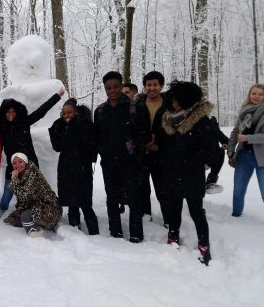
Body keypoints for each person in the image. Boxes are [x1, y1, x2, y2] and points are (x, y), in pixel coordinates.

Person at [156, 81, 217, 265]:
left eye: (178, 100)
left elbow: (210, 149)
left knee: (196, 211)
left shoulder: (199, 121)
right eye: (172, 100)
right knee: (174, 209)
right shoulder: (168, 120)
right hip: (172, 173)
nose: (174, 103)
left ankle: (204, 244)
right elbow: (164, 146)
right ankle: (173, 237)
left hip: (192, 174)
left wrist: (193, 161)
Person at [93, 71, 147, 243]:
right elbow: (97, 136)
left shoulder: (135, 107)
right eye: (108, 88)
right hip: (108, 163)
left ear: (122, 86)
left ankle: (136, 234)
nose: (112, 91)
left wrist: (134, 143)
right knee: (111, 198)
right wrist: (101, 151)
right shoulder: (100, 111)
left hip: (130, 162)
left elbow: (145, 134)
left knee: (133, 198)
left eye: (116, 87)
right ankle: (115, 232)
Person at [0, 87, 65, 217]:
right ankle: (1, 213)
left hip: (30, 164)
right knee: (7, 194)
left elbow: (41, 111)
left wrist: (57, 96)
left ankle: (34, 214)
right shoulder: (1, 127)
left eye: (13, 111)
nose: (11, 114)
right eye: (8, 112)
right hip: (13, 166)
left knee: (33, 193)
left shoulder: (24, 122)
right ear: (3, 113)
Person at [49, 98, 99, 235]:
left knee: (85, 203)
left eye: (69, 112)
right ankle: (74, 230)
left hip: (82, 167)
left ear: (76, 112)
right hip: (66, 167)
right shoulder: (62, 126)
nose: (66, 116)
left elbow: (91, 145)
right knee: (71, 202)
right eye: (64, 113)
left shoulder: (85, 124)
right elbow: (57, 147)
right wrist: (55, 128)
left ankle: (94, 233)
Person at [135, 71, 169, 224]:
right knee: (142, 188)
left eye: (155, 84)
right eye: (149, 85)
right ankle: (145, 216)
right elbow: (133, 127)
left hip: (162, 154)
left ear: (161, 86)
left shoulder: (169, 104)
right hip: (142, 153)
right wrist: (143, 141)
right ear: (144, 87)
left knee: (163, 189)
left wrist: (159, 141)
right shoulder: (138, 105)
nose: (152, 88)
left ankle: (169, 219)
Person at [3, 153, 62, 237]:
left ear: (26, 162)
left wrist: (14, 180)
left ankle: (36, 235)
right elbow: (24, 201)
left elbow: (24, 196)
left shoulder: (33, 174)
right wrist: (18, 212)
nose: (17, 165)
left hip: (51, 209)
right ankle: (40, 223)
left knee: (25, 216)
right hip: (38, 207)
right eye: (14, 163)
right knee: (14, 220)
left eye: (20, 162)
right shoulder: (23, 175)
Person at [227, 84, 264, 217]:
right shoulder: (244, 111)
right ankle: (236, 216)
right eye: (254, 93)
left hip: (262, 158)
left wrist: (248, 138)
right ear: (249, 95)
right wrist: (230, 149)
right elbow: (236, 132)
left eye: (260, 94)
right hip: (243, 156)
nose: (257, 97)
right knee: (238, 190)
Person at [205, 116, 228, 193]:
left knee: (220, 152)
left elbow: (225, 139)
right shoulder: (196, 126)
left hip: (212, 156)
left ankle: (210, 183)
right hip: (198, 156)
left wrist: (226, 144)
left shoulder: (213, 126)